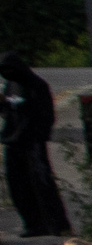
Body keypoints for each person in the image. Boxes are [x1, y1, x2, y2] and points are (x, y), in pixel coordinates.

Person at [2, 49, 62, 235]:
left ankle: (53, 224)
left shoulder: (36, 86)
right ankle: (32, 223)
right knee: (19, 186)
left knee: (40, 184)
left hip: (32, 143)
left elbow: (45, 115)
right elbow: (9, 111)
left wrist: (38, 137)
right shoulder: (11, 85)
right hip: (14, 142)